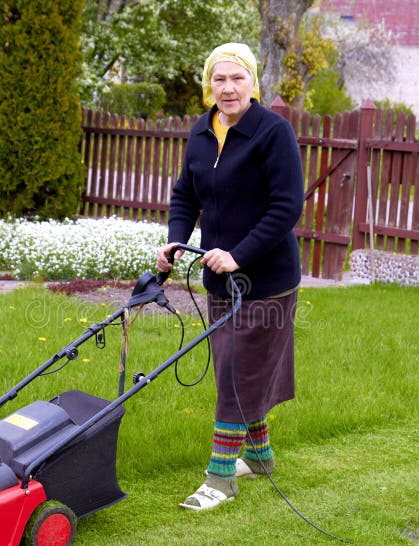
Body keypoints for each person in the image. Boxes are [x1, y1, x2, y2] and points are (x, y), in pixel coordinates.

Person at [156, 42, 304, 511]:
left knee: (239, 373)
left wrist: (238, 255)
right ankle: (259, 457)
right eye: (219, 79)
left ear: (252, 82)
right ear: (208, 85)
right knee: (235, 371)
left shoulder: (272, 133)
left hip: (266, 281)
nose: (228, 88)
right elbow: (185, 196)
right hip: (220, 280)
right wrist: (177, 240)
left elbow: (287, 207)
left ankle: (221, 478)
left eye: (237, 78)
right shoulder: (201, 133)